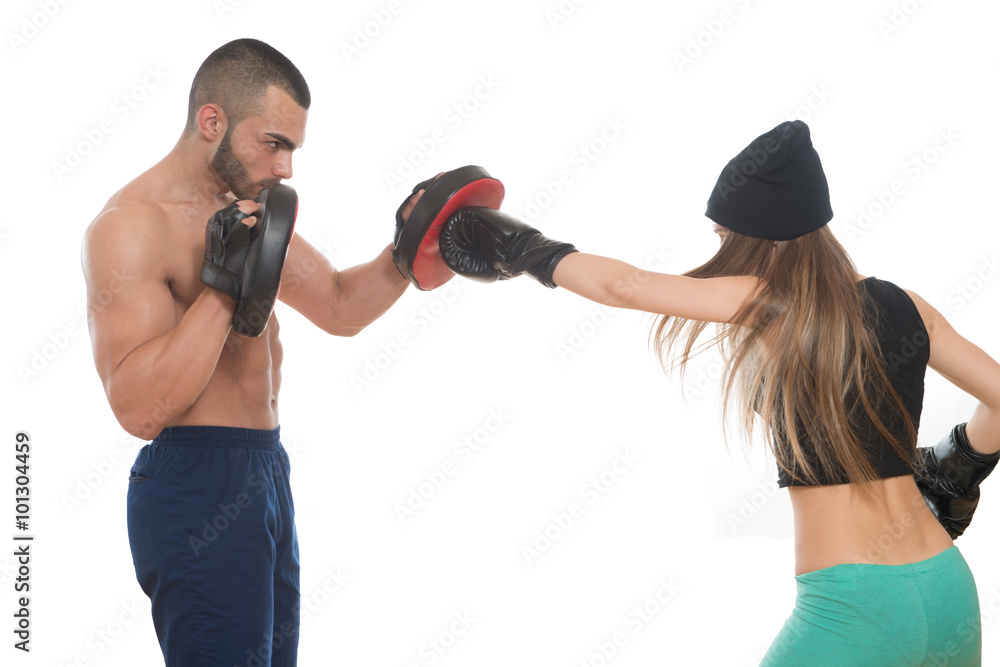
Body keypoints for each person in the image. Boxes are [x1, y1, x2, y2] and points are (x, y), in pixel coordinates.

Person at [438, 121, 1000, 665]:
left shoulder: (770, 301)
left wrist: (521, 248)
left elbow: (621, 287)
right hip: (947, 587)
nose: (721, 243)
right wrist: (962, 466)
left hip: (855, 608)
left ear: (761, 237)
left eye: (724, 233)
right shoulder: (908, 305)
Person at [81, 39, 418, 666]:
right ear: (213, 122)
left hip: (266, 470)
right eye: (274, 143)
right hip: (196, 480)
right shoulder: (131, 226)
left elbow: (341, 305)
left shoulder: (245, 215)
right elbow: (137, 410)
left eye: (293, 148)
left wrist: (410, 255)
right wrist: (223, 291)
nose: (286, 169)